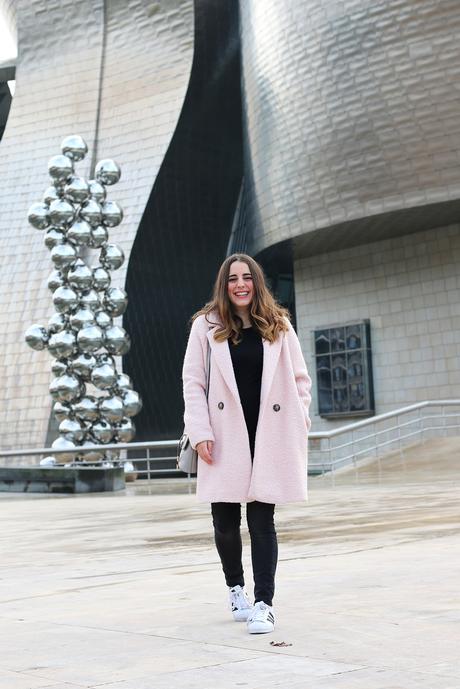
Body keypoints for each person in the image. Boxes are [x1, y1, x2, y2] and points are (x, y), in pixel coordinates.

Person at [182, 253, 312, 634]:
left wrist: (298, 420)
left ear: (257, 282)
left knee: (262, 521)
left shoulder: (278, 324)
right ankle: (235, 587)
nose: (240, 284)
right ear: (224, 285)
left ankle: (264, 603)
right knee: (224, 522)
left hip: (268, 434)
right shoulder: (206, 326)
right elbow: (193, 383)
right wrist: (200, 430)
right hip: (223, 435)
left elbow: (300, 380)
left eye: (246, 277)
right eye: (232, 279)